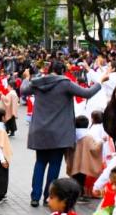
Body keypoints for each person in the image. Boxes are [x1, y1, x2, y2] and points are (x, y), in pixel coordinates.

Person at [21, 60, 104, 207]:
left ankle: (35, 197)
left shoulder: (37, 83)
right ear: (62, 71)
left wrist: (26, 77)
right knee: (54, 164)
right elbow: (87, 93)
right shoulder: (65, 83)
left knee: (40, 163)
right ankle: (49, 196)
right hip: (59, 132)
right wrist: (100, 82)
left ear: (49, 69)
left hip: (39, 130)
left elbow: (23, 90)